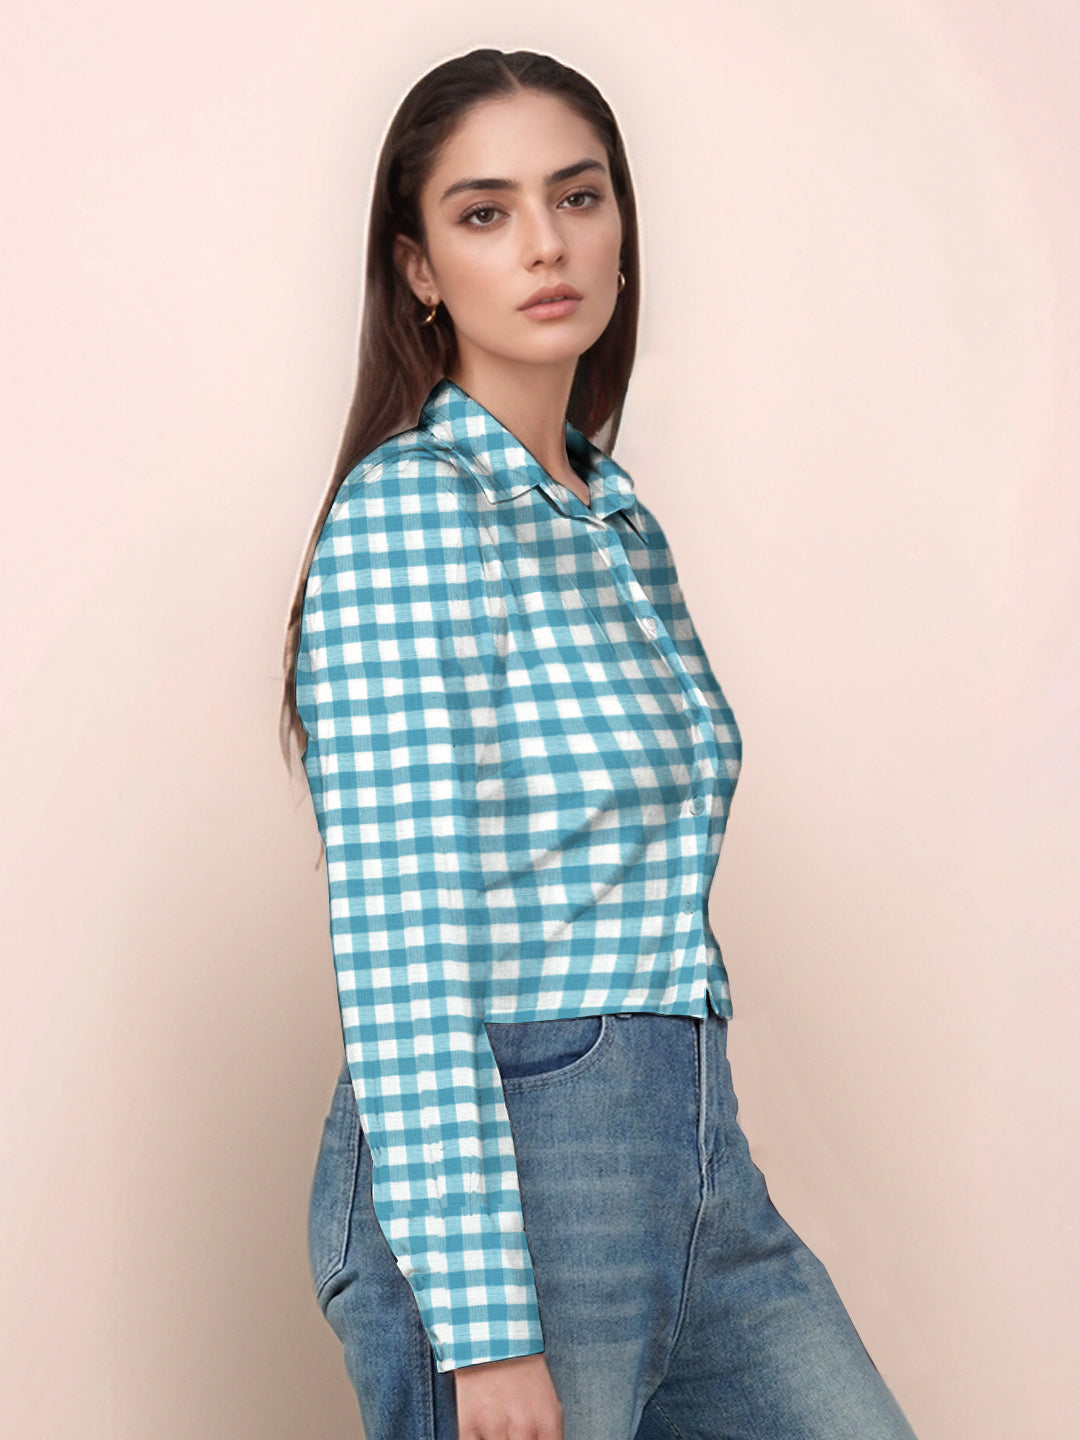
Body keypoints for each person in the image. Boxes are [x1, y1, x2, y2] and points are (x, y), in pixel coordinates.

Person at [280, 47, 920, 1440]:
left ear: (622, 226)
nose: (547, 244)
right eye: (486, 212)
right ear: (419, 268)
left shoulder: (613, 520)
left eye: (578, 197)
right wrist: (485, 1325)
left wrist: (684, 1142)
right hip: (519, 1171)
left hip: (691, 1154)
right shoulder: (410, 517)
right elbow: (400, 941)